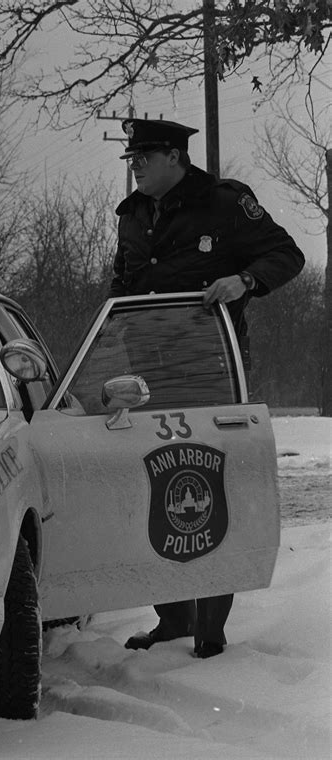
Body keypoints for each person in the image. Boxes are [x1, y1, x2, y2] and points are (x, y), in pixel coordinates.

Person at [109, 117, 305, 659]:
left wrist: (244, 280)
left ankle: (209, 629)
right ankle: (171, 618)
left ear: (174, 156)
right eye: (131, 159)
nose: (135, 167)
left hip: (210, 368)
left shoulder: (223, 203)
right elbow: (120, 286)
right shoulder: (132, 216)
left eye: (143, 158)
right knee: (150, 487)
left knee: (206, 489)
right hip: (146, 374)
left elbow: (287, 255)